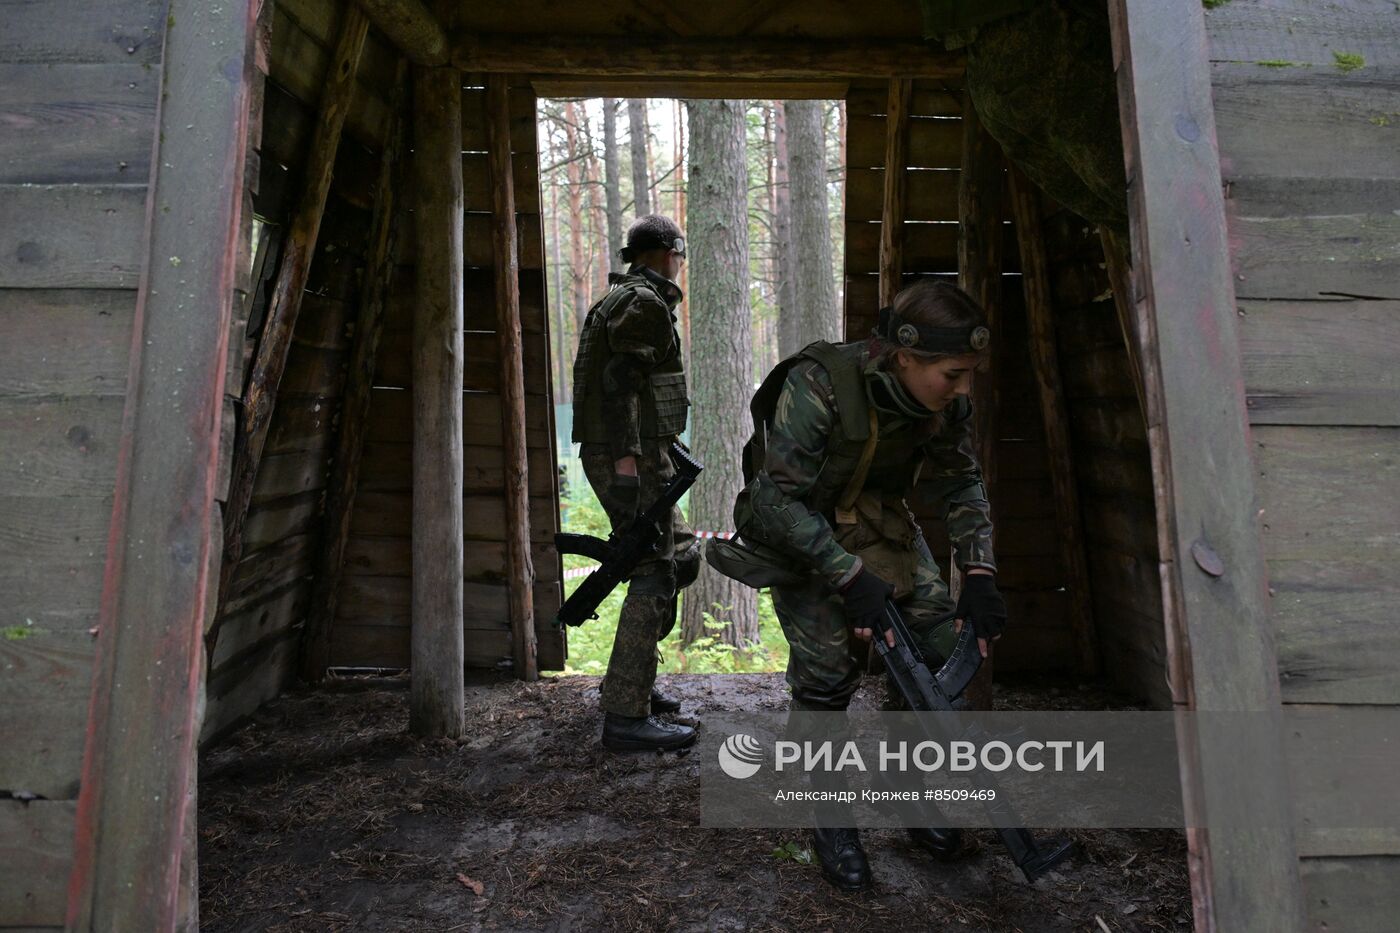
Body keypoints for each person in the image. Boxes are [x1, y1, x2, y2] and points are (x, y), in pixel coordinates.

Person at [714, 279, 1008, 890]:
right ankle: (830, 815)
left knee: (936, 650)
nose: (963, 388)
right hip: (798, 531)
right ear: (905, 358)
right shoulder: (819, 384)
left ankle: (907, 788)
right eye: (952, 374)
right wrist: (849, 577)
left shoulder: (946, 402)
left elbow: (961, 481)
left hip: (877, 523)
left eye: (970, 374)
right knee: (826, 678)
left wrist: (979, 572)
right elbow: (774, 500)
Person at [571, 215, 702, 752]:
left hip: (644, 454)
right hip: (630, 459)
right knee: (653, 570)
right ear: (669, 253)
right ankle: (626, 717)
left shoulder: (625, 297)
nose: (681, 264)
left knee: (683, 555)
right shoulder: (644, 303)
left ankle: (634, 681)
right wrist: (628, 463)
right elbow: (620, 384)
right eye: (680, 255)